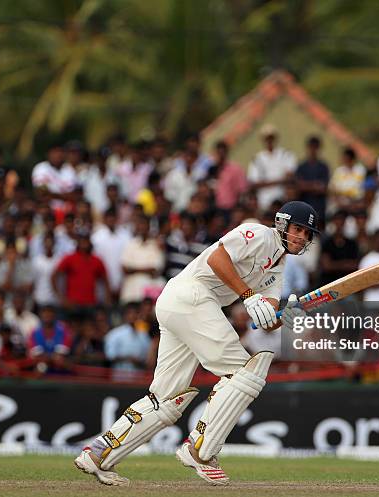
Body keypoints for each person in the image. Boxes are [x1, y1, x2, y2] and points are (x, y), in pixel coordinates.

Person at [74, 201, 320, 486]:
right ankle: (200, 451)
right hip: (191, 295)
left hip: (181, 304)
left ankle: (98, 454)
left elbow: (266, 317)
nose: (302, 237)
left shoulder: (278, 267)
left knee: (167, 399)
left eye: (308, 233)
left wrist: (286, 316)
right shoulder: (258, 234)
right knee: (246, 372)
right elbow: (218, 259)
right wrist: (247, 294)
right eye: (299, 229)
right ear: (282, 223)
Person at [247, 124, 297, 210]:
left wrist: (266, 182)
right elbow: (254, 182)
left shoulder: (285, 154)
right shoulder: (257, 158)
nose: (269, 141)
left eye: (271, 138)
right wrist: (279, 180)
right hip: (264, 201)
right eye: (267, 138)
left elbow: (289, 176)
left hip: (282, 199)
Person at [295, 136, 330, 225]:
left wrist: (306, 186)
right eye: (311, 147)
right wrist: (315, 185)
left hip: (319, 208)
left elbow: (323, 188)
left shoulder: (323, 167)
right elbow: (299, 187)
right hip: (304, 207)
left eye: (315, 147)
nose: (313, 150)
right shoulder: (301, 166)